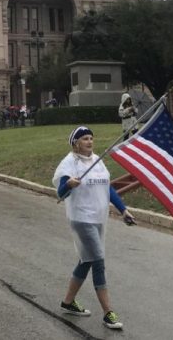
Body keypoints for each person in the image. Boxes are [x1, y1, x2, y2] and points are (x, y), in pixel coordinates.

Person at [53, 127, 136, 331]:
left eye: (91, 138)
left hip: (99, 219)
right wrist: (69, 185)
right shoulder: (69, 163)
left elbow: (107, 187)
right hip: (82, 218)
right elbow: (60, 193)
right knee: (98, 261)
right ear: (76, 143)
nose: (89, 142)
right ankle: (108, 313)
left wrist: (123, 210)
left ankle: (68, 302)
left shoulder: (97, 161)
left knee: (86, 260)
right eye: (84, 139)